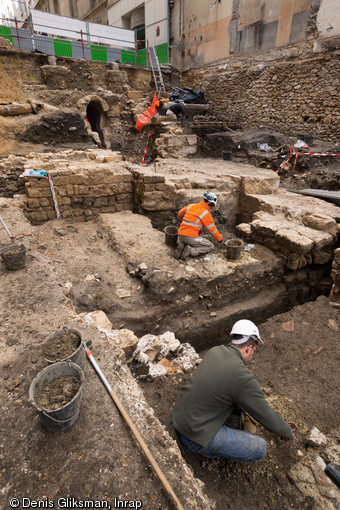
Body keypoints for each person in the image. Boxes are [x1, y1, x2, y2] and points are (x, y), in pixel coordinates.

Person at [172, 319, 295, 462]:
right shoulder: (242, 377)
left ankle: (225, 431)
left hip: (179, 417)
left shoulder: (215, 351)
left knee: (237, 402)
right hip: (193, 436)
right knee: (259, 448)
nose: (252, 355)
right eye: (253, 351)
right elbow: (266, 415)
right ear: (249, 348)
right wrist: (287, 432)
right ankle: (211, 452)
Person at [176, 191, 223, 261]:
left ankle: (182, 245)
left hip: (180, 235)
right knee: (210, 246)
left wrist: (185, 221)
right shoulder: (206, 214)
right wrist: (220, 239)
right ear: (212, 205)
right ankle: (191, 251)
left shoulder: (191, 206)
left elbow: (180, 213)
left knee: (193, 239)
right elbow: (212, 230)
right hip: (190, 237)